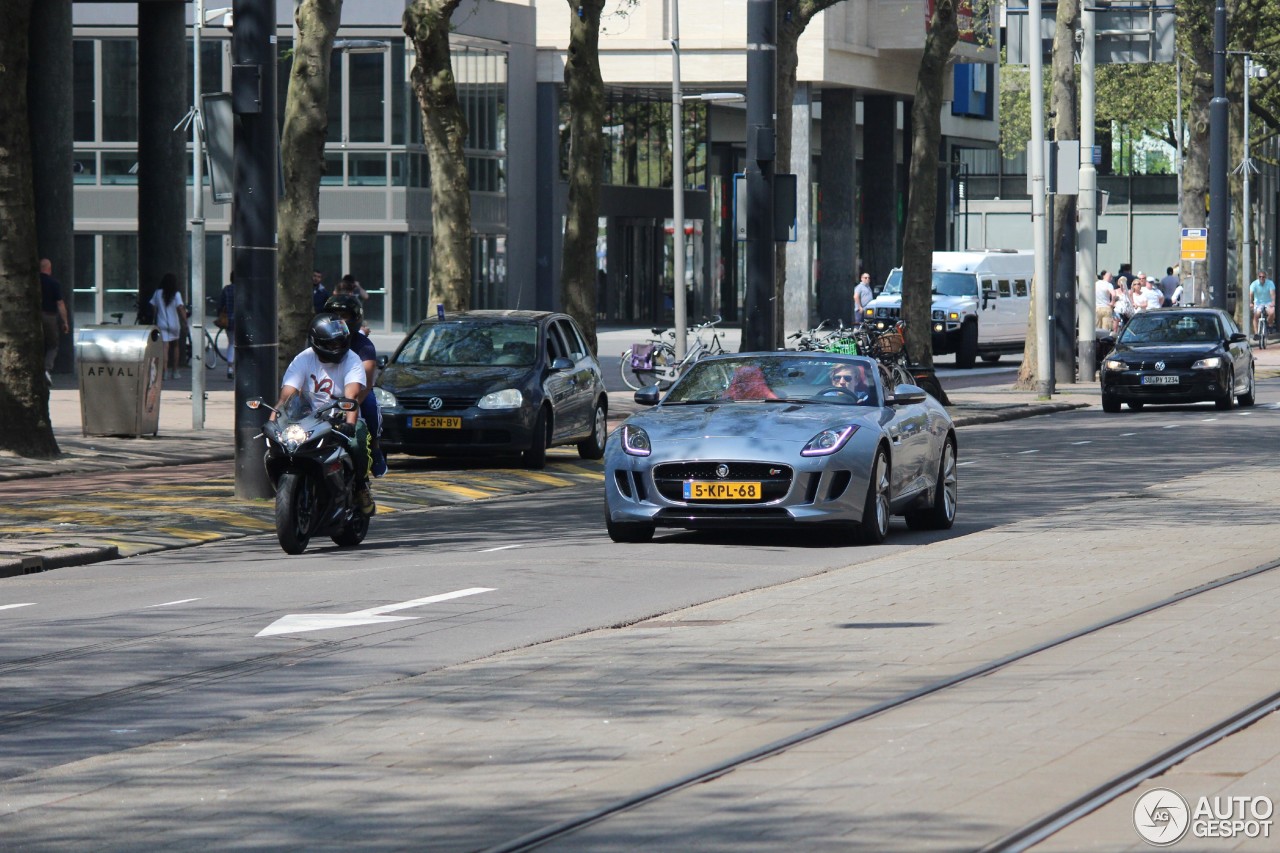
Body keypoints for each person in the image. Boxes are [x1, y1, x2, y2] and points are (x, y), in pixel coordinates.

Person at [274, 313, 375, 515]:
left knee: (357, 442)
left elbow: (352, 396)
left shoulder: (352, 360)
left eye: (340, 342)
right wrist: (274, 421)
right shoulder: (303, 359)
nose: (337, 348)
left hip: (340, 416)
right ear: (316, 343)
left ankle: (361, 485)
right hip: (307, 419)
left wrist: (350, 424)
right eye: (331, 344)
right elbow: (286, 396)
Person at [324, 292, 386, 478]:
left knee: (370, 405)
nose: (338, 321)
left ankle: (374, 448)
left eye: (344, 316)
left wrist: (349, 407)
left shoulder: (364, 346)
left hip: (354, 393)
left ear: (355, 318)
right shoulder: (317, 340)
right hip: (325, 392)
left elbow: (366, 385)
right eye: (334, 316)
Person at [149, 272, 188, 379]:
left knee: (164, 348)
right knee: (175, 346)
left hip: (162, 323)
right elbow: (180, 308)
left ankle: (164, 372)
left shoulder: (157, 293)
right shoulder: (176, 294)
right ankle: (175, 371)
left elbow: (153, 306)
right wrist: (185, 321)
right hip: (174, 324)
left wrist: (155, 316)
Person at [39, 258, 69, 383]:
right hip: (49, 316)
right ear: (49, 269)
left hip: (35, 316)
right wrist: (65, 322)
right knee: (53, 345)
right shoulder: (54, 283)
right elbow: (60, 304)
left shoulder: (34, 282)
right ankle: (46, 369)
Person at [218, 273, 235, 379]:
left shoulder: (226, 289)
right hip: (243, 321)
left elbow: (220, 305)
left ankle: (230, 367)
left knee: (231, 343)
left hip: (229, 321)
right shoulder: (244, 289)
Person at [1250, 270, 1275, 335]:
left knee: (1272, 313)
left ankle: (1269, 325)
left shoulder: (1270, 283)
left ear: (1265, 277)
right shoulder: (1254, 284)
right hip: (1258, 302)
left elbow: (1272, 293)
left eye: (1263, 277)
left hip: (1268, 302)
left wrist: (1273, 301)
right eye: (1260, 276)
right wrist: (1250, 303)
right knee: (1256, 316)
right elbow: (1251, 294)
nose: (1261, 278)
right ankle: (1256, 334)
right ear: (1258, 277)